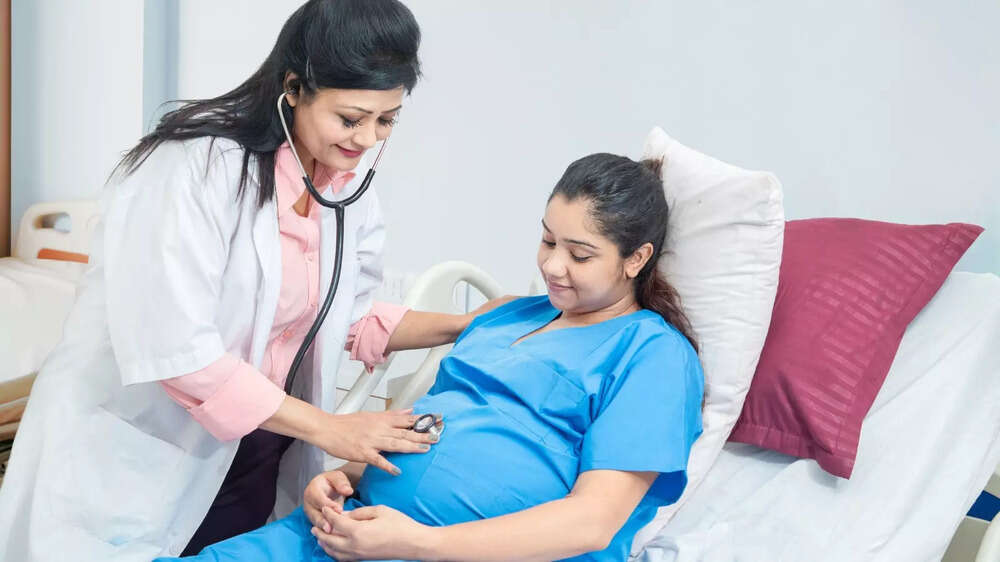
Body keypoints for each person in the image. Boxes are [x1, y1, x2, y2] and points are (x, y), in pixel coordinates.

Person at [0, 1, 479, 559]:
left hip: (257, 447)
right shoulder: (190, 170)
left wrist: (468, 324)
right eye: (350, 118)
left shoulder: (345, 189)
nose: (368, 138)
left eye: (387, 120)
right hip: (145, 452)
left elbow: (342, 316)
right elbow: (178, 352)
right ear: (295, 88)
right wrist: (329, 429)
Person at [164, 153, 705, 561]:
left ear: (636, 258)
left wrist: (421, 542)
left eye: (580, 254)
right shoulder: (506, 316)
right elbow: (432, 422)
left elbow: (592, 523)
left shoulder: (653, 355)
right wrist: (340, 479)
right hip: (351, 532)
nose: (553, 267)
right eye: (547, 242)